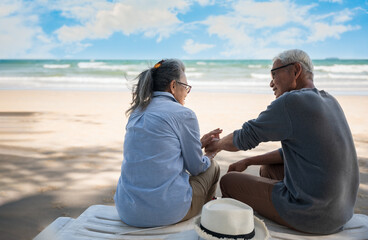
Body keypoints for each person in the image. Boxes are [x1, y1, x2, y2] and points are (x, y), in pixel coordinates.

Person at [205, 49, 359, 234]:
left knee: (230, 182)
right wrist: (248, 161)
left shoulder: (291, 101)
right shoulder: (329, 100)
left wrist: (217, 144)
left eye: (274, 74)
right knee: (268, 169)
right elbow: (303, 151)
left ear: (295, 70)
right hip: (341, 212)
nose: (271, 83)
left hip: (315, 216)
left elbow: (245, 137)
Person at [114, 59, 221, 227]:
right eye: (185, 87)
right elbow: (196, 167)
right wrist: (210, 154)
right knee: (212, 166)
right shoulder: (183, 114)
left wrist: (198, 144)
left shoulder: (136, 112)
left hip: (127, 211)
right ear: (173, 86)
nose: (186, 92)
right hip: (165, 213)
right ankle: (206, 217)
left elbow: (157, 151)